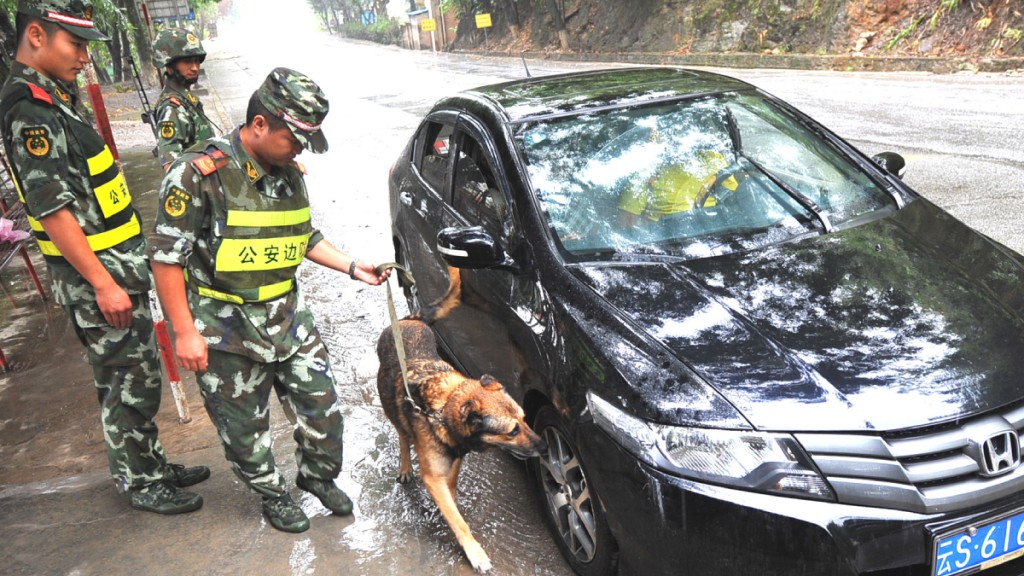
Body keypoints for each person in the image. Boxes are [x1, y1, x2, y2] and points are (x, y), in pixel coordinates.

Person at [149, 67, 390, 533]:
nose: (300, 150)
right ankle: (274, 495)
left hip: (288, 319)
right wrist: (184, 333)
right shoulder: (197, 174)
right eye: (294, 139)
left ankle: (317, 477)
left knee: (324, 412)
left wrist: (354, 266)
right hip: (225, 330)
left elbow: (302, 235)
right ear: (260, 124)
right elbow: (166, 258)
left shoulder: (288, 172)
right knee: (244, 433)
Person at [0, 0, 209, 514]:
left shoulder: (54, 96)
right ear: (35, 36)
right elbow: (52, 210)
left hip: (118, 264)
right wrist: (102, 283)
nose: (84, 58)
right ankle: (141, 482)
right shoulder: (29, 107)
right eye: (75, 45)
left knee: (134, 376)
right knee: (126, 383)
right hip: (99, 278)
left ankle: (149, 464)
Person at [151, 27, 217, 170]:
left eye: (196, 61)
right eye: (187, 62)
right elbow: (171, 166)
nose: (195, 68)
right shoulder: (171, 107)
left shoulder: (185, 99)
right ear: (169, 66)